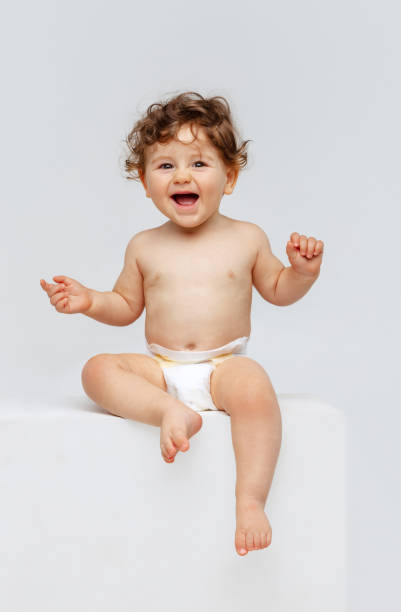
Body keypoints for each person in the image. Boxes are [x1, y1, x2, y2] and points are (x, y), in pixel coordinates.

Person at [40, 91, 324, 557]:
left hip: (221, 367)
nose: (183, 176)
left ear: (229, 177)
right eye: (166, 166)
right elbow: (126, 305)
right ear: (144, 181)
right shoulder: (144, 246)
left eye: (199, 164)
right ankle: (167, 412)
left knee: (255, 389)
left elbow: (278, 290)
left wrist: (301, 273)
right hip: (162, 367)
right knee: (97, 369)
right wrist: (90, 300)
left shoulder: (247, 238)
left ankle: (250, 500)